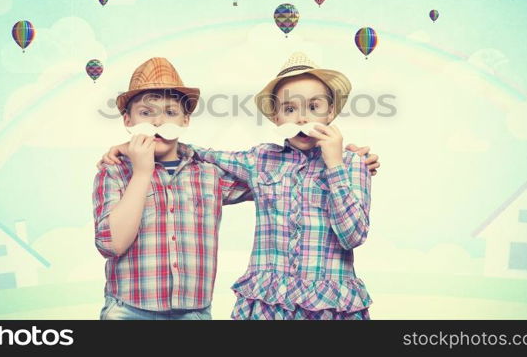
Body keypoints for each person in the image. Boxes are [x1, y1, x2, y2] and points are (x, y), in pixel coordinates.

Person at [99, 52, 379, 319]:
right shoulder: (260, 161)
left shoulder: (350, 164)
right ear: (276, 118)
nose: (302, 118)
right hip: (267, 305)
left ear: (331, 111)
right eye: (290, 109)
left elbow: (352, 237)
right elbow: (206, 152)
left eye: (314, 107)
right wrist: (134, 150)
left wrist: (336, 167)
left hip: (328, 305)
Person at [93, 57, 253, 320]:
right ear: (128, 120)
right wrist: (142, 171)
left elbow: (274, 178)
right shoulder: (114, 171)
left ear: (185, 121)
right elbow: (111, 245)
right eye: (146, 113)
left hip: (193, 313)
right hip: (128, 310)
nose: (158, 122)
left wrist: (341, 159)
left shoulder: (209, 174)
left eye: (170, 113)